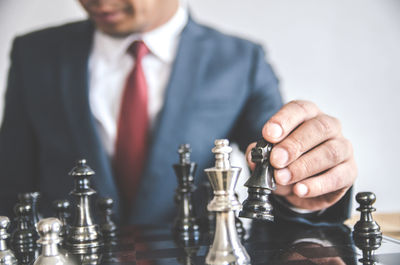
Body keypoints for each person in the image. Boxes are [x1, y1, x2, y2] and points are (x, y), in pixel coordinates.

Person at [0, 0, 357, 224]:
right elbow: (11, 181)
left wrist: (305, 188)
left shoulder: (241, 61)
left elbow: (276, 165)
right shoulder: (34, 53)